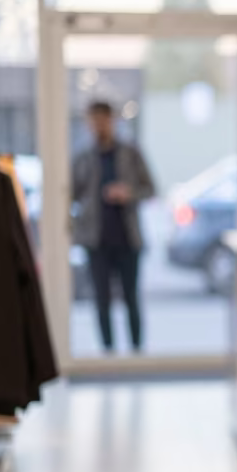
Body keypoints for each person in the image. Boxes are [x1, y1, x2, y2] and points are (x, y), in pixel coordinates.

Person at [71, 101, 156, 354]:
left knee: (131, 298)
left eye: (103, 120)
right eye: (93, 120)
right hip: (96, 241)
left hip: (128, 239)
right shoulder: (83, 157)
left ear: (112, 121)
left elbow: (150, 189)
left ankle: (136, 351)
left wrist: (128, 193)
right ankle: (107, 353)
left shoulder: (130, 153)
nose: (98, 126)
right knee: (101, 300)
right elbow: (71, 194)